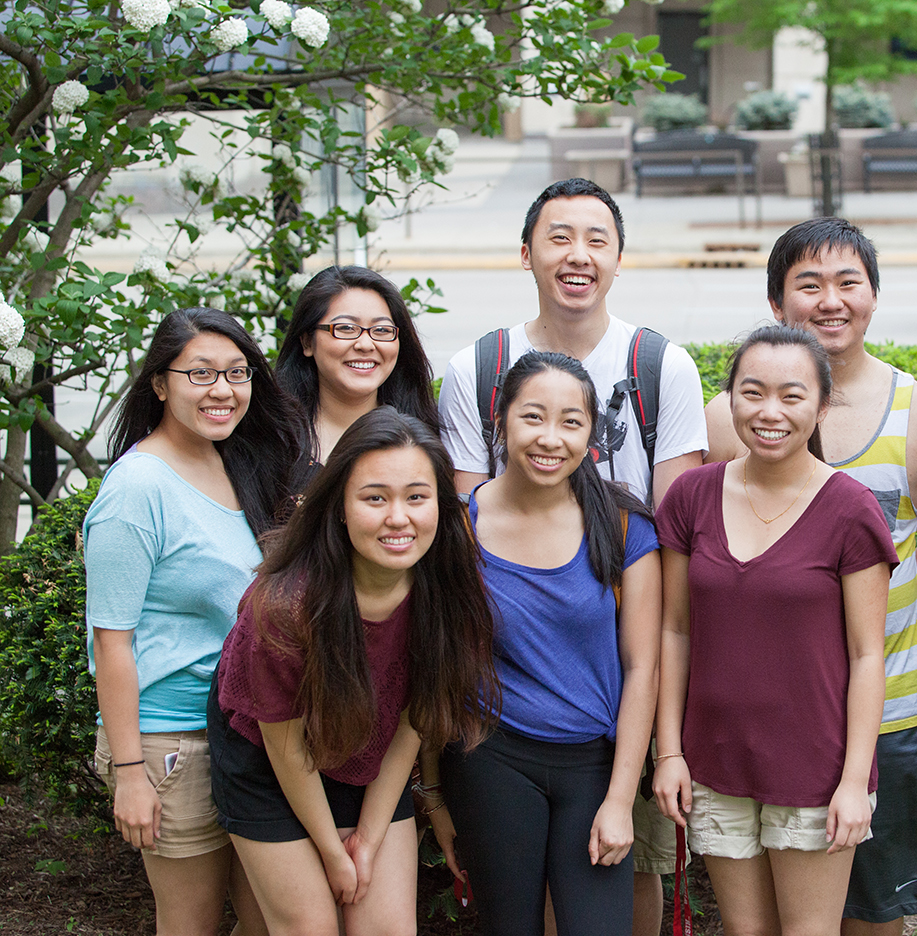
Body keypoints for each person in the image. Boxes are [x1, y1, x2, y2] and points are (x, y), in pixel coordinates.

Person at [437, 177, 707, 933]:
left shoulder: (662, 368)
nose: (577, 254)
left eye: (597, 238)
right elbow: (461, 588)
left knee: (620, 897)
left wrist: (646, 765)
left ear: (621, 257)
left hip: (604, 720)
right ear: (526, 253)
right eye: (558, 236)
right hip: (496, 739)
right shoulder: (477, 368)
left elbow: (664, 583)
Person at [703, 218, 917, 933]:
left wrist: (858, 634)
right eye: (808, 284)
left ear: (874, 295)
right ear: (777, 301)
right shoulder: (729, 420)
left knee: (876, 917)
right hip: (767, 722)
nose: (830, 300)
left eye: (849, 281)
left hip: (888, 713)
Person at [208, 407, 498, 936]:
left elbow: (415, 717)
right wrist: (333, 853)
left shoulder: (446, 592)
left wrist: (367, 840)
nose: (398, 518)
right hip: (271, 764)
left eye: (416, 496)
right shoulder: (286, 607)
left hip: (371, 749)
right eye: (374, 498)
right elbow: (285, 745)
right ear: (339, 506)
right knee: (312, 926)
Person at [655, 325, 897, 935]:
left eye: (792, 396)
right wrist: (670, 752)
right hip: (715, 760)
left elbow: (869, 656)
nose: (770, 412)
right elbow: (674, 631)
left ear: (820, 405)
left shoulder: (850, 508)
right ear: (729, 398)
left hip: (816, 769)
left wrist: (852, 780)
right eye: (752, 392)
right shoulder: (691, 497)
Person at [85, 307, 305, 936]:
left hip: (247, 729)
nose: (224, 390)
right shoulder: (136, 489)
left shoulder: (235, 463)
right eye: (201, 373)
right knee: (191, 922)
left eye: (237, 373)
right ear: (160, 383)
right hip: (173, 740)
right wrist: (130, 773)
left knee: (271, 918)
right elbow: (112, 641)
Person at [435, 352, 662, 934]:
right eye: (533, 417)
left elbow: (642, 668)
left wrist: (620, 798)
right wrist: (434, 797)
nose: (550, 438)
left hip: (593, 763)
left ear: (591, 435)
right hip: (492, 758)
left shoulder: (622, 527)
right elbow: (433, 664)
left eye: (571, 422)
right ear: (502, 423)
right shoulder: (458, 527)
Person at [275, 265, 439, 482]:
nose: (365, 344)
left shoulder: (430, 437)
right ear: (307, 341)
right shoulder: (271, 439)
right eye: (345, 328)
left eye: (382, 330)